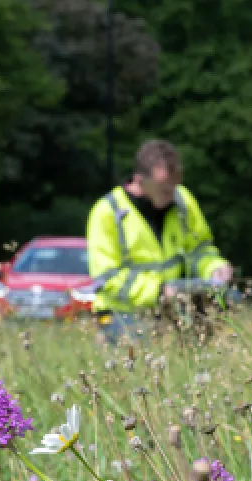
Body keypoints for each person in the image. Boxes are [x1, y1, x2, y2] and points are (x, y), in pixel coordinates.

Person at [86, 139, 233, 344]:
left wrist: (215, 268)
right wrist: (159, 291)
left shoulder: (182, 199)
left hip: (175, 308)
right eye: (164, 187)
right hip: (123, 313)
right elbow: (107, 277)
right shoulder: (106, 212)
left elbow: (200, 250)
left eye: (175, 185)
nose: (172, 192)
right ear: (140, 179)